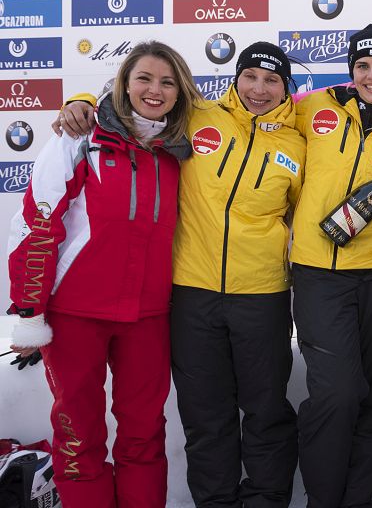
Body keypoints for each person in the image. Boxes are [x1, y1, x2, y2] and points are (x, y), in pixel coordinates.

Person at [55, 42, 306, 508]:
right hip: (191, 293)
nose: (259, 88)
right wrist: (84, 103)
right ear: (236, 78)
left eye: (272, 80)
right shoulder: (196, 114)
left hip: (263, 293)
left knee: (267, 412)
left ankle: (267, 501)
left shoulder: (300, 138)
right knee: (206, 416)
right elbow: (136, 104)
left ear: (285, 88)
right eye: (250, 76)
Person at [8, 41, 197, 508]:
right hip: (76, 313)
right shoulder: (82, 137)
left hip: (148, 315)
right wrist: (30, 310)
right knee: (78, 435)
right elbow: (40, 217)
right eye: (144, 79)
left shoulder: (180, 149)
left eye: (167, 82)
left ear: (180, 92)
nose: (155, 90)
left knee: (144, 434)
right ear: (123, 84)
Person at [290, 24, 372, 508]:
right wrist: (89, 101)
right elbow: (255, 115)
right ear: (350, 70)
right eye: (363, 65)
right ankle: (323, 499)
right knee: (337, 394)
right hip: (319, 271)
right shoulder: (316, 106)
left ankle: (358, 499)